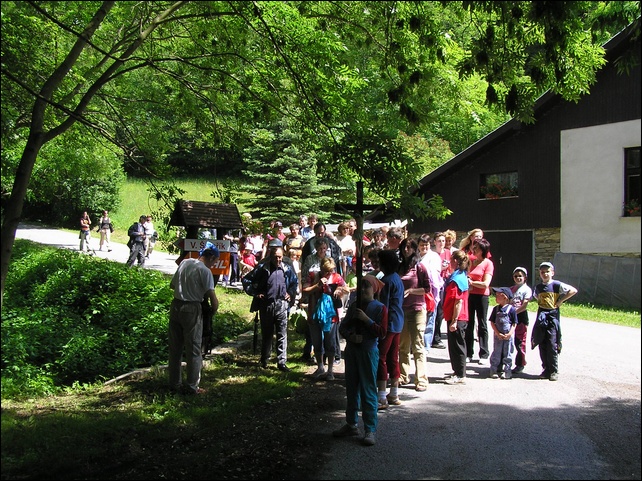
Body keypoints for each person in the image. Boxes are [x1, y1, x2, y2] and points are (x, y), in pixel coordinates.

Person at [333, 275, 388, 447]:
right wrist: (350, 336)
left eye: (367, 287)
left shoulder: (380, 308)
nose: (364, 290)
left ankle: (370, 429)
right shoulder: (354, 306)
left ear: (374, 289)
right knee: (351, 388)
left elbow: (382, 332)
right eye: (362, 286)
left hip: (368, 351)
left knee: (368, 390)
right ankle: (351, 423)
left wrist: (366, 320)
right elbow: (343, 326)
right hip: (352, 351)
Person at [169, 242, 219, 395]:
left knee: (175, 348)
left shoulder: (185, 263)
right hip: (192, 308)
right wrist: (213, 311)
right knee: (194, 349)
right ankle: (192, 387)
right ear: (210, 258)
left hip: (176, 305)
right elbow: (213, 299)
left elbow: (172, 286)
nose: (214, 264)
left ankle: (174, 383)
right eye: (215, 261)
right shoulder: (205, 271)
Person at [247, 243, 298, 372]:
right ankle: (265, 359)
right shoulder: (262, 269)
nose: (278, 259)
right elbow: (247, 280)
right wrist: (256, 293)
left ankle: (282, 362)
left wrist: (290, 294)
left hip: (282, 305)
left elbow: (294, 283)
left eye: (280, 257)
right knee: (267, 334)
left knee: (282, 334)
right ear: (270, 257)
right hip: (267, 305)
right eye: (275, 257)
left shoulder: (287, 269)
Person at [531, 262, 578, 381]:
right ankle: (545, 369)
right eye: (542, 272)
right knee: (542, 342)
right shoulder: (538, 287)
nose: (545, 274)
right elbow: (537, 297)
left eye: (547, 271)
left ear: (552, 272)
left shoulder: (556, 285)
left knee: (552, 343)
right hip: (542, 315)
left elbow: (573, 290)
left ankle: (553, 370)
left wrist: (560, 301)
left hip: (552, 316)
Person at [306, 256, 348, 380]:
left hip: (331, 315)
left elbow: (346, 289)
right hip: (315, 313)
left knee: (330, 342)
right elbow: (305, 290)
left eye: (330, 270)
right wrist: (317, 285)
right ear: (321, 268)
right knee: (317, 341)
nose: (328, 273)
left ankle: (330, 370)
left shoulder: (337, 277)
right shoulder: (313, 276)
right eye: (326, 270)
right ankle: (320, 367)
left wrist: (339, 290)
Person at [397, 237, 431, 392]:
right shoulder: (399, 267)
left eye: (409, 247)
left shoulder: (420, 267)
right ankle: (403, 376)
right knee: (403, 346)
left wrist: (411, 291)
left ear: (414, 249)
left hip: (417, 309)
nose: (406, 250)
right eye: (404, 247)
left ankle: (421, 379)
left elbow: (427, 289)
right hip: (401, 310)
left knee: (418, 345)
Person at [376, 248, 405, 408]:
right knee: (393, 357)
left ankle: (381, 396)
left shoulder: (386, 281)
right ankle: (394, 392)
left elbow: (384, 306)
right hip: (398, 322)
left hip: (388, 323)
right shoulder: (397, 279)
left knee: (381, 357)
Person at [443, 250, 470, 385]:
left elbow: (458, 302)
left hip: (458, 318)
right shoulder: (460, 275)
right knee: (454, 346)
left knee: (458, 346)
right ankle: (457, 371)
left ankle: (460, 375)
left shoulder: (456, 280)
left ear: (455, 261)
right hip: (456, 317)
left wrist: (454, 321)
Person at [466, 238, 494, 365]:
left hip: (482, 296)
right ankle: (468, 353)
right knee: (469, 324)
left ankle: (484, 353)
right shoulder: (471, 261)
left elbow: (486, 284)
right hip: (470, 295)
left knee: (482, 324)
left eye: (476, 248)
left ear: (482, 250)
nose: (473, 249)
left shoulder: (488, 263)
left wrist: (472, 282)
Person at [418, 233, 444, 357]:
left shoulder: (434, 256)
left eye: (426, 244)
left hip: (431, 292)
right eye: (422, 245)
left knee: (430, 318)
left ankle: (426, 345)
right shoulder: (416, 256)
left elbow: (434, 275)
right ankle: (417, 344)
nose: (424, 247)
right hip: (417, 291)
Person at [488, 287, 519, 379]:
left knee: (508, 353)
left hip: (508, 336)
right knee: (496, 353)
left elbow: (514, 323)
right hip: (498, 336)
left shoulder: (511, 309)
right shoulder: (496, 309)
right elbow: (492, 322)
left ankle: (507, 371)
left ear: (505, 297)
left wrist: (510, 333)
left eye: (498, 296)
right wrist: (497, 333)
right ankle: (494, 370)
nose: (496, 297)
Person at [431, 231, 452, 349]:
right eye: (439, 241)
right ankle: (434, 337)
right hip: (436, 284)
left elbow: (451, 267)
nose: (441, 243)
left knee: (442, 312)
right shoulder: (433, 255)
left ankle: (437, 336)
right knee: (436, 310)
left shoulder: (448, 253)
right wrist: (440, 268)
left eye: (443, 241)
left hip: (446, 283)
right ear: (435, 242)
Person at [510, 267, 532, 374]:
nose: (518, 278)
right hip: (511, 318)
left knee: (520, 342)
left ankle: (520, 363)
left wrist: (515, 313)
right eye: (516, 276)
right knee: (510, 341)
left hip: (521, 317)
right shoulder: (512, 289)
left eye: (520, 276)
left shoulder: (526, 290)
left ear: (525, 277)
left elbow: (524, 305)